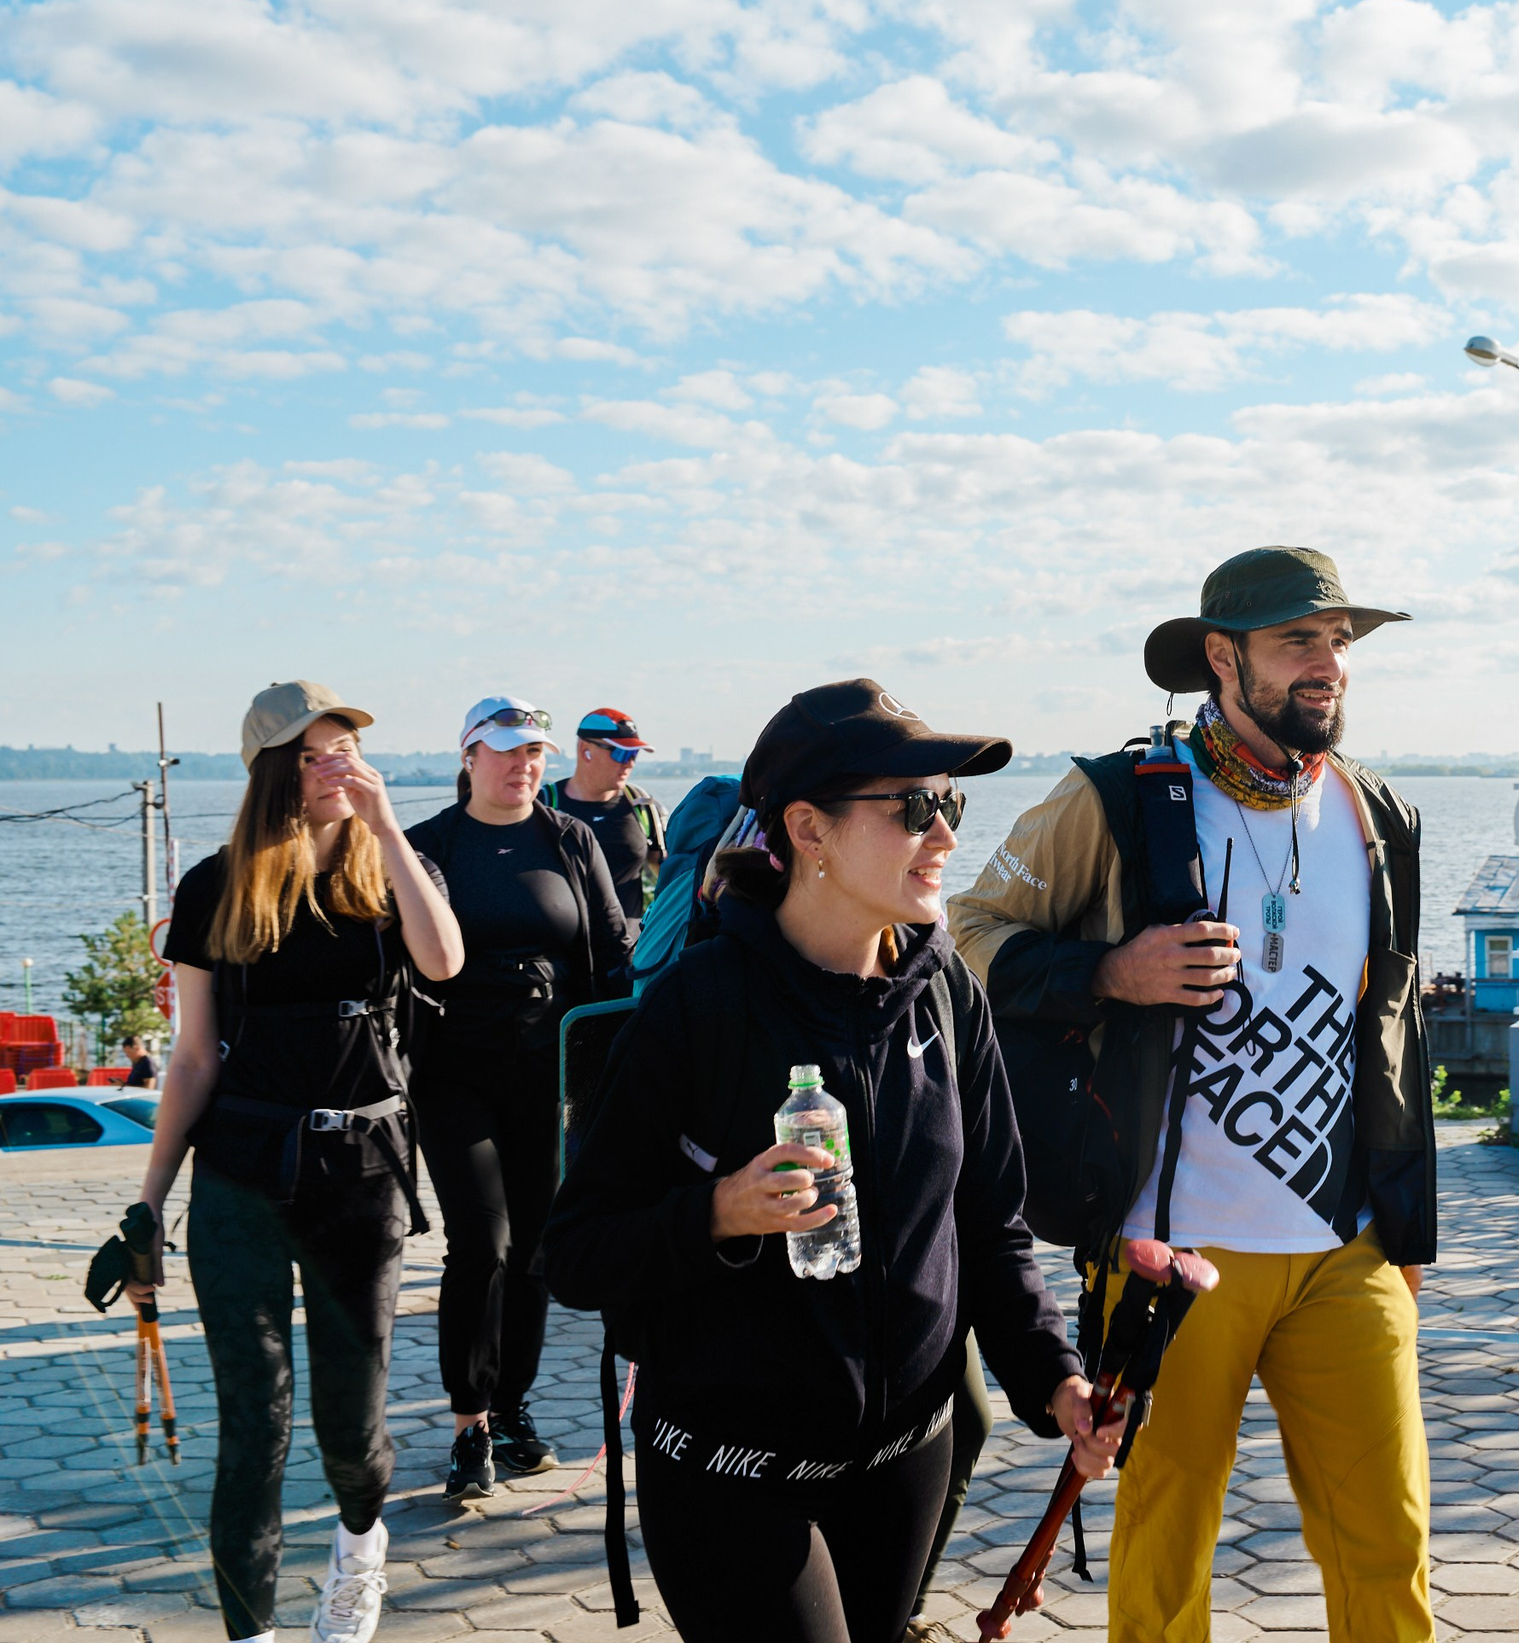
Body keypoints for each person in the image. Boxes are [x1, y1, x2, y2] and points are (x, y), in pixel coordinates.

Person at [546, 678, 1116, 1643]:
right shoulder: (698, 1009)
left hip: (905, 1458)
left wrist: (1054, 1378)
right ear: (807, 829)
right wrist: (719, 1212)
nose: (944, 835)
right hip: (732, 1475)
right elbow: (577, 1251)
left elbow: (989, 1223)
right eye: (914, 808)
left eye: (952, 805)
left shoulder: (948, 995)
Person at [949, 546, 1438, 1643]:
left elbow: (1392, 1036)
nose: (1328, 664)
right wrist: (1108, 971)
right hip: (1166, 1252)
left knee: (1389, 1542)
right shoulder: (1118, 798)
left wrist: (1406, 1228)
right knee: (1166, 1552)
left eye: (1339, 641)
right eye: (1297, 640)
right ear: (1223, 657)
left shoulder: (1378, 813)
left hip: (1343, 1248)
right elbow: (969, 938)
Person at [137, 681, 464, 1643]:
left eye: (346, 748)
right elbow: (194, 1055)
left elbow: (443, 961)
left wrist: (389, 825)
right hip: (239, 1176)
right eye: (315, 752)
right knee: (253, 1429)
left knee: (351, 1433)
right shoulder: (214, 886)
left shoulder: (391, 871)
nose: (338, 767)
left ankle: (360, 1553)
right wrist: (150, 1200)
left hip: (360, 1179)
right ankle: (252, 1632)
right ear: (275, 769)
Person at [404, 697, 629, 1499]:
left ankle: (512, 1405)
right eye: (504, 751)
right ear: (468, 756)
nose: (521, 765)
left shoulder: (570, 841)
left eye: (533, 751)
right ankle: (470, 1424)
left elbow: (609, 960)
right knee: (483, 1241)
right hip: (453, 1078)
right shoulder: (430, 845)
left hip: (548, 1077)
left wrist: (610, 1084)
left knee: (537, 1251)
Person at [538, 707, 667, 926]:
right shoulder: (544, 805)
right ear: (585, 750)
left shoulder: (641, 804)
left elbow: (667, 872)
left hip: (629, 950)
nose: (629, 763)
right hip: (562, 951)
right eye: (620, 753)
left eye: (633, 755)